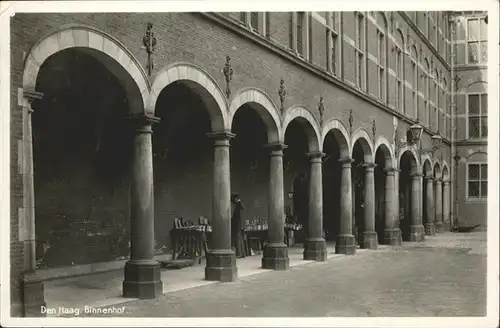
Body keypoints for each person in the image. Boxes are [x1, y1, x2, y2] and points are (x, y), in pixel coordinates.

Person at [231, 193, 247, 258]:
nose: (233, 202)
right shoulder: (241, 205)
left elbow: (237, 217)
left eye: (233, 200)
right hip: (241, 225)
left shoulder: (238, 205)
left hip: (238, 225)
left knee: (238, 239)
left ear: (235, 199)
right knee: (240, 239)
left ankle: (239, 254)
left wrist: (231, 220)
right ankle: (242, 254)